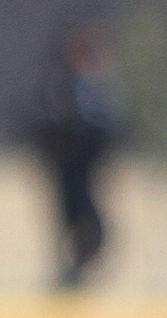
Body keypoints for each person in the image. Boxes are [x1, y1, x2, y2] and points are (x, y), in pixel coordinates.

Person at [24, 21, 123, 291]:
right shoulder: (61, 83)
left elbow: (108, 126)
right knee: (71, 215)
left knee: (89, 219)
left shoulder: (99, 87)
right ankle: (70, 269)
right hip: (68, 164)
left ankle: (80, 266)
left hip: (88, 166)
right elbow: (45, 121)